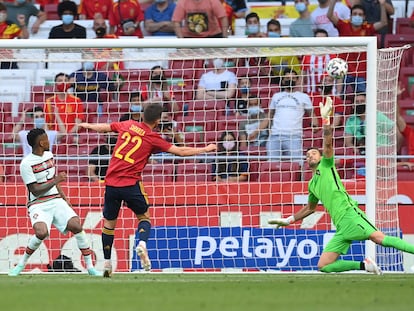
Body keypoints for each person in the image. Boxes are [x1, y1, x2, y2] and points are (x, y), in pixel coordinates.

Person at [268, 96, 414, 274]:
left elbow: (328, 144)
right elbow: (310, 208)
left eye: (314, 153)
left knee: (378, 237)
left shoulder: (326, 165)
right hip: (340, 226)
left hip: (349, 214)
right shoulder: (312, 184)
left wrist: (326, 121)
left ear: (321, 157)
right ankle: (365, 265)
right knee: (324, 266)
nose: (310, 156)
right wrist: (288, 220)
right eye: (308, 155)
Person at [78, 103, 217, 277]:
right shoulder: (153, 137)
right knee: (144, 217)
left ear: (142, 116)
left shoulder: (128, 124)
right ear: (158, 120)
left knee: (109, 224)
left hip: (111, 183)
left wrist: (89, 125)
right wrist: (204, 149)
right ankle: (142, 243)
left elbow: (105, 127)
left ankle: (106, 263)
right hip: (131, 184)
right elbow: (180, 151)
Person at [9, 128, 100, 276]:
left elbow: (53, 179)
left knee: (76, 225)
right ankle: (21, 264)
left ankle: (90, 267)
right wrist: (56, 180)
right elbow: (35, 190)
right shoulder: (26, 164)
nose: (49, 141)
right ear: (40, 142)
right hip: (38, 203)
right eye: (46, 138)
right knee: (41, 232)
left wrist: (64, 198)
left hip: (56, 200)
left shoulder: (50, 155)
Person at [258, 68, 318, 162]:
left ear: (297, 80)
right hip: (275, 135)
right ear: (283, 80)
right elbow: (269, 116)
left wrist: (315, 125)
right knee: (272, 165)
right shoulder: (276, 96)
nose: (290, 80)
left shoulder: (304, 97)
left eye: (293, 78)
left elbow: (312, 114)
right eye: (287, 78)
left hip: (294, 136)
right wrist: (256, 132)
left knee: (297, 164)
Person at [327, 0, 387, 94]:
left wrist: (382, 5)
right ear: (350, 17)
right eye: (355, 14)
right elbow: (329, 16)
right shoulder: (343, 26)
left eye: (360, 14)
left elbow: (383, 23)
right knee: (340, 98)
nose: (357, 16)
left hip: (361, 71)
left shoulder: (367, 29)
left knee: (362, 100)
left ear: (364, 17)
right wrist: (333, 2)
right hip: (344, 70)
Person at [44, 73, 85, 143]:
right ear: (55, 84)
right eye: (60, 81)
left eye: (65, 80)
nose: (63, 83)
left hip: (71, 136)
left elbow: (78, 124)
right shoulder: (49, 101)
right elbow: (46, 123)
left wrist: (66, 136)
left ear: (69, 84)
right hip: (55, 137)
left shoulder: (76, 100)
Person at [301, 28, 338, 94]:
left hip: (331, 94)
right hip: (312, 94)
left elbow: (339, 77)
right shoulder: (307, 56)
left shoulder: (333, 56)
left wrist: (338, 93)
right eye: (318, 39)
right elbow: (302, 78)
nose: (321, 41)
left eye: (323, 39)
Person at [0, 3, 29, 69]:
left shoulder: (11, 26)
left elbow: (25, 37)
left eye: (4, 12)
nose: (2, 14)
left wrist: (22, 24)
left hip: (7, 59)